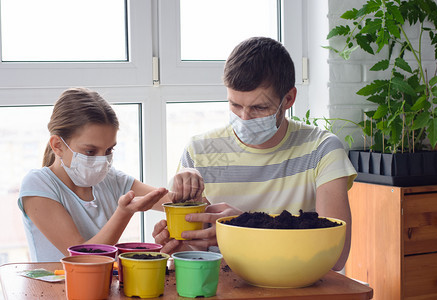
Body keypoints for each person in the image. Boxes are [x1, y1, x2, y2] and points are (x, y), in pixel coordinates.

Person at [153, 37, 357, 271]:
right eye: (235, 105)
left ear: (289, 99)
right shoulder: (199, 152)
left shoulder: (322, 149)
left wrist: (244, 226)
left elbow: (335, 254)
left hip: (298, 287)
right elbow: (202, 251)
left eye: (259, 108)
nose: (244, 118)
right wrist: (182, 248)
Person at [18, 87, 203, 262]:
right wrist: (124, 212)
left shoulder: (111, 179)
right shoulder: (38, 184)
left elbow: (183, 205)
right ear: (58, 145)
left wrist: (189, 174)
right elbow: (83, 258)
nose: (102, 161)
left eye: (108, 150)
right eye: (90, 151)